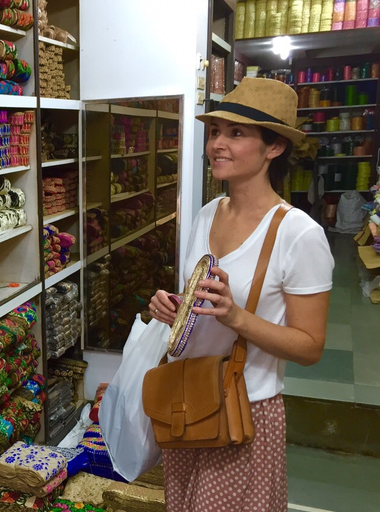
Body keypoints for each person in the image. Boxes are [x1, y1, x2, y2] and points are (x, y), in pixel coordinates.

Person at [149, 78, 334, 512]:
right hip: (187, 401)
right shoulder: (207, 213)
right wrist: (171, 308)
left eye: (236, 133)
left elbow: (310, 347)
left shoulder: (299, 234)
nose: (217, 143)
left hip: (242, 411)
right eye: (215, 131)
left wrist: (237, 318)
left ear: (274, 148)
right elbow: (198, 302)